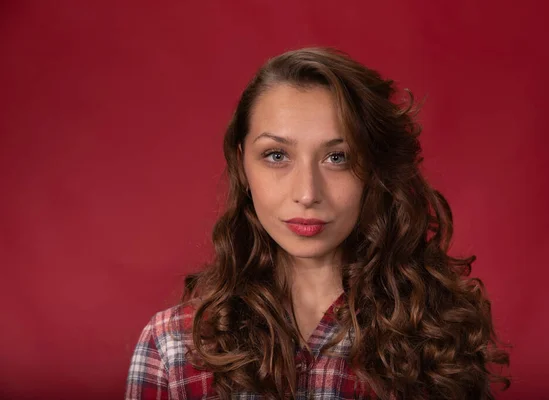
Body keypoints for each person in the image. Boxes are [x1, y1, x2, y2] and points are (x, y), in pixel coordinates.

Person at [125, 47, 510, 399]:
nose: (307, 193)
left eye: (337, 158)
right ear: (243, 164)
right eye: (276, 155)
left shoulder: (439, 338)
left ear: (373, 170)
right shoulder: (173, 346)